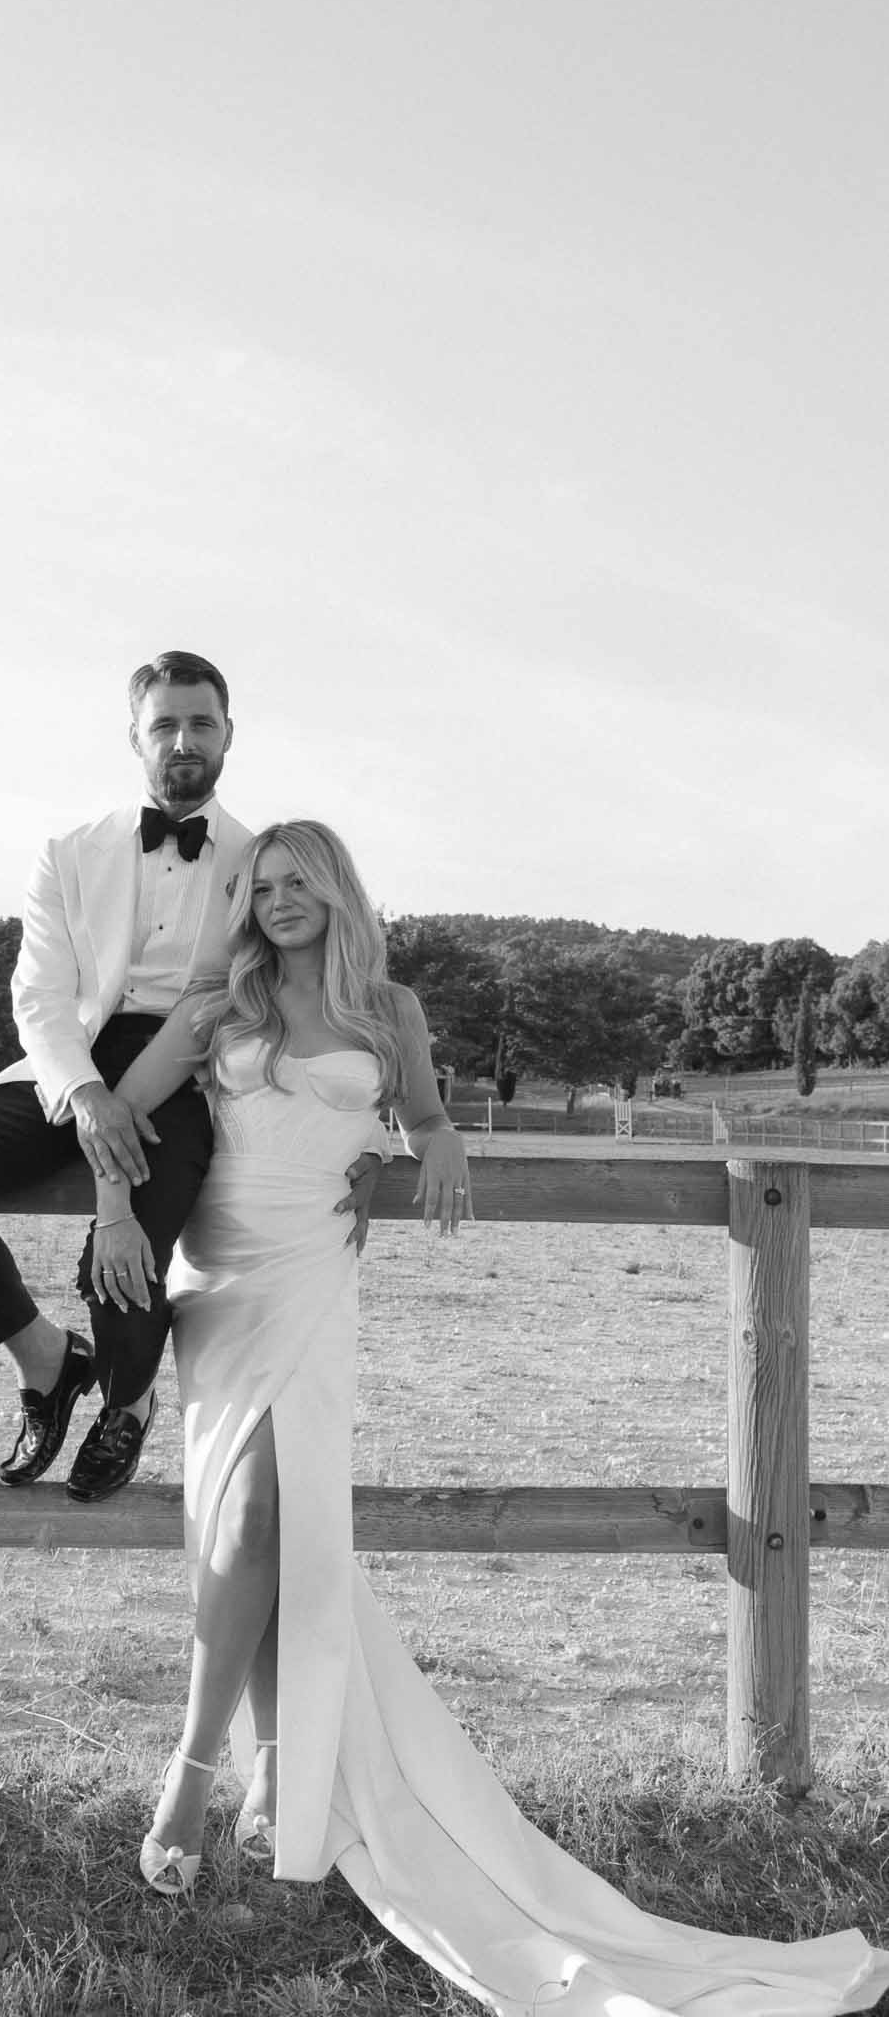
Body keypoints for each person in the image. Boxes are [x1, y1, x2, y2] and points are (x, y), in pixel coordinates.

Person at [86, 821, 889, 2017]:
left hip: (312, 1273)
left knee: (266, 1516)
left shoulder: (389, 1007)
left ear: (341, 893)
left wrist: (426, 1149)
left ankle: (198, 1779)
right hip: (220, 1280)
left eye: (304, 880)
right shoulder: (216, 1005)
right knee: (260, 1530)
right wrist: (112, 1212)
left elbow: (422, 1116)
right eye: (264, 884)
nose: (283, 898)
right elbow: (117, 1114)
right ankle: (256, 1772)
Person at [0, 658, 382, 1505]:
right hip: (70, 1057)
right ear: (135, 736)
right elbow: (38, 992)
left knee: (124, 1261)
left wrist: (371, 1142)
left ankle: (128, 1398)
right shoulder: (68, 850)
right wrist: (81, 1094)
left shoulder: (261, 862)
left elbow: (299, 1004)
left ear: (228, 734)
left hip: (185, 1067)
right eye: (165, 725)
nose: (183, 741)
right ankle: (46, 1360)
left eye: (202, 724)